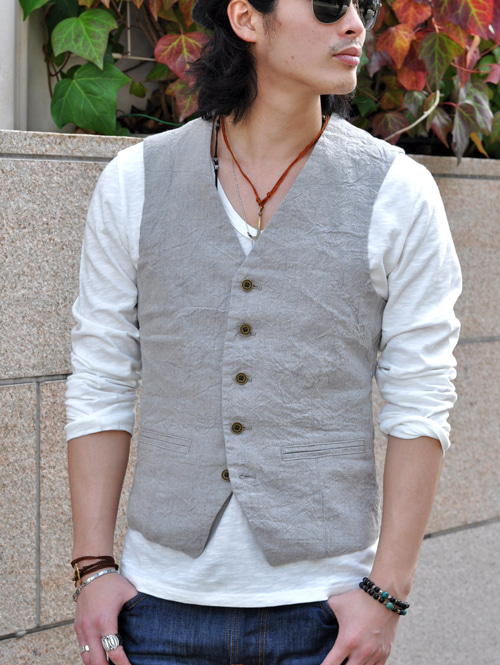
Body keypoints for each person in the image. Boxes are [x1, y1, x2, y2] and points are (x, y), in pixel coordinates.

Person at [65, 0, 461, 664]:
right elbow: (100, 377)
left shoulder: (399, 192)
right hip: (154, 609)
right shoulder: (134, 182)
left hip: (326, 615)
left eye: (363, 6)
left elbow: (421, 397)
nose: (356, 24)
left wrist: (387, 593)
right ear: (247, 19)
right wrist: (92, 567)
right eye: (329, 4)